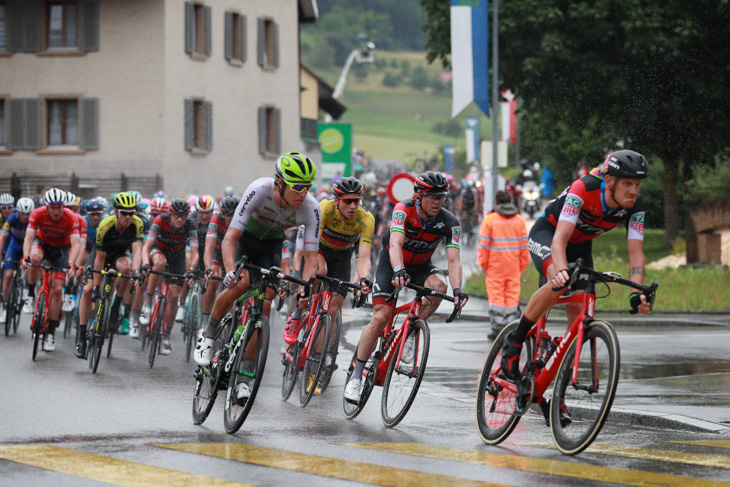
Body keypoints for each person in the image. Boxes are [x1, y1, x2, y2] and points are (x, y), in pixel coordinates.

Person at [501, 150, 652, 406]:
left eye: (637, 185)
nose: (633, 191)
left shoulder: (635, 207)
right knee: (557, 283)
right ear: (610, 181)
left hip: (581, 249)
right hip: (549, 235)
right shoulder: (584, 188)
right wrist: (561, 271)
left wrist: (637, 292)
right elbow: (560, 240)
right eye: (627, 183)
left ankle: (558, 391)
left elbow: (636, 253)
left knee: (578, 319)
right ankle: (515, 340)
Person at [194, 151, 321, 401]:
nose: (303, 193)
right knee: (240, 283)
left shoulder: (311, 209)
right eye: (297, 186)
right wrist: (230, 270)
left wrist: (305, 287)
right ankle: (208, 335)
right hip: (245, 241)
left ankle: (245, 375)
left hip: (270, 247)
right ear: (280, 182)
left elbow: (312, 258)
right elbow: (229, 238)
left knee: (266, 302)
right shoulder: (259, 190)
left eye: (307, 186)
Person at [344, 171, 469, 402]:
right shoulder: (403, 209)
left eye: (441, 197)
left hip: (421, 266)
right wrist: (399, 269)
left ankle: (411, 332)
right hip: (392, 262)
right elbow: (395, 243)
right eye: (432, 197)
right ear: (419, 196)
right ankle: (356, 376)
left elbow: (453, 260)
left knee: (439, 287)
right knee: (381, 317)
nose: (437, 202)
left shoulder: (450, 222)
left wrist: (458, 289)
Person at [284, 177, 375, 395]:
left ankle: (316, 361)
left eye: (357, 201)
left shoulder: (366, 219)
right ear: (336, 201)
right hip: (319, 250)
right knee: (319, 273)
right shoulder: (324, 209)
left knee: (332, 309)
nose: (353, 206)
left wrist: (364, 279)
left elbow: (363, 256)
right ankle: (298, 314)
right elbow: (310, 243)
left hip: (342, 258)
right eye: (348, 201)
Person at [75, 193, 144, 358]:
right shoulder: (105, 225)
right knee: (87, 290)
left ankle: (115, 307)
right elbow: (99, 258)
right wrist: (96, 288)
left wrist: (136, 271)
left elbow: (137, 251)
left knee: (126, 269)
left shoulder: (137, 224)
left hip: (120, 255)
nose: (128, 217)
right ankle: (82, 337)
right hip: (100, 255)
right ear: (115, 211)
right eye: (124, 213)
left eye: (131, 213)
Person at [21, 188, 82, 351]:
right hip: (42, 244)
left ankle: (51, 333)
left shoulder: (71, 217)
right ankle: (31, 295)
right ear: (47, 206)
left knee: (57, 290)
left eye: (60, 207)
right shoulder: (37, 214)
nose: (57, 211)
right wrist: (25, 256)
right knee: (34, 259)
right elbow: (28, 237)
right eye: (53, 208)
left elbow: (76, 244)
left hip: (61, 250)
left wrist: (71, 263)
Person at [140, 198, 198, 356]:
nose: (180, 219)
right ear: (170, 214)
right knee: (159, 263)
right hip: (159, 251)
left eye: (183, 216)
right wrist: (145, 263)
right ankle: (148, 303)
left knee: (173, 295)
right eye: (176, 216)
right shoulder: (160, 219)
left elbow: (194, 253)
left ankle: (166, 335)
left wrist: (191, 269)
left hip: (177, 256)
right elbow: (147, 246)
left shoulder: (190, 225)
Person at [477, 190, 529, 340]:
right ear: (511, 201)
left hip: (495, 266)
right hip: (513, 266)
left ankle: (498, 329)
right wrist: (522, 265)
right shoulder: (519, 220)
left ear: (496, 202)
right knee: (512, 296)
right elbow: (524, 246)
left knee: (496, 297)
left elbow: (484, 245)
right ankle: (512, 327)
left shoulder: (490, 220)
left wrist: (483, 264)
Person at [0, 197, 34, 323]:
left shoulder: (34, 220)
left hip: (28, 247)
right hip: (14, 246)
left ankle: (25, 289)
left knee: (31, 265)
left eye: (28, 214)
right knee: (8, 275)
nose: (25, 216)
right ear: (18, 212)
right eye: (23, 213)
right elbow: (3, 237)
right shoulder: (12, 218)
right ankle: (4, 306)